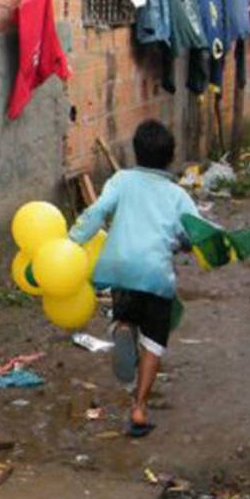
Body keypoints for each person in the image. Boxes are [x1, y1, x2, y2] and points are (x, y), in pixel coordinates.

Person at [69, 120, 200, 438]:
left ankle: (123, 328)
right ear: (170, 157)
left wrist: (70, 242)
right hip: (155, 274)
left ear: (136, 152)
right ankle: (139, 409)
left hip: (119, 269)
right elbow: (193, 234)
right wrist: (185, 243)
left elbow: (97, 212)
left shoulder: (121, 180)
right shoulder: (177, 195)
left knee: (125, 314)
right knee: (154, 343)